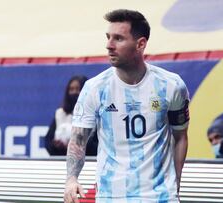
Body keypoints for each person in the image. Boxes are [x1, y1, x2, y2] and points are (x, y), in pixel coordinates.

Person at [64, 9, 190, 203]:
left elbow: (180, 137)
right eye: (108, 37)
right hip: (111, 197)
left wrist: (176, 184)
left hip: (160, 197)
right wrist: (71, 179)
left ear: (140, 44)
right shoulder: (94, 88)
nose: (109, 45)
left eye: (118, 39)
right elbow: (78, 140)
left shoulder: (171, 86)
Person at [45, 75, 98, 156]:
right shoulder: (60, 113)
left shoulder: (95, 114)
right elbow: (48, 141)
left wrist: (78, 146)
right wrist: (57, 146)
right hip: (62, 161)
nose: (74, 92)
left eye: (78, 89)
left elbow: (97, 144)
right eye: (71, 89)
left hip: (87, 161)